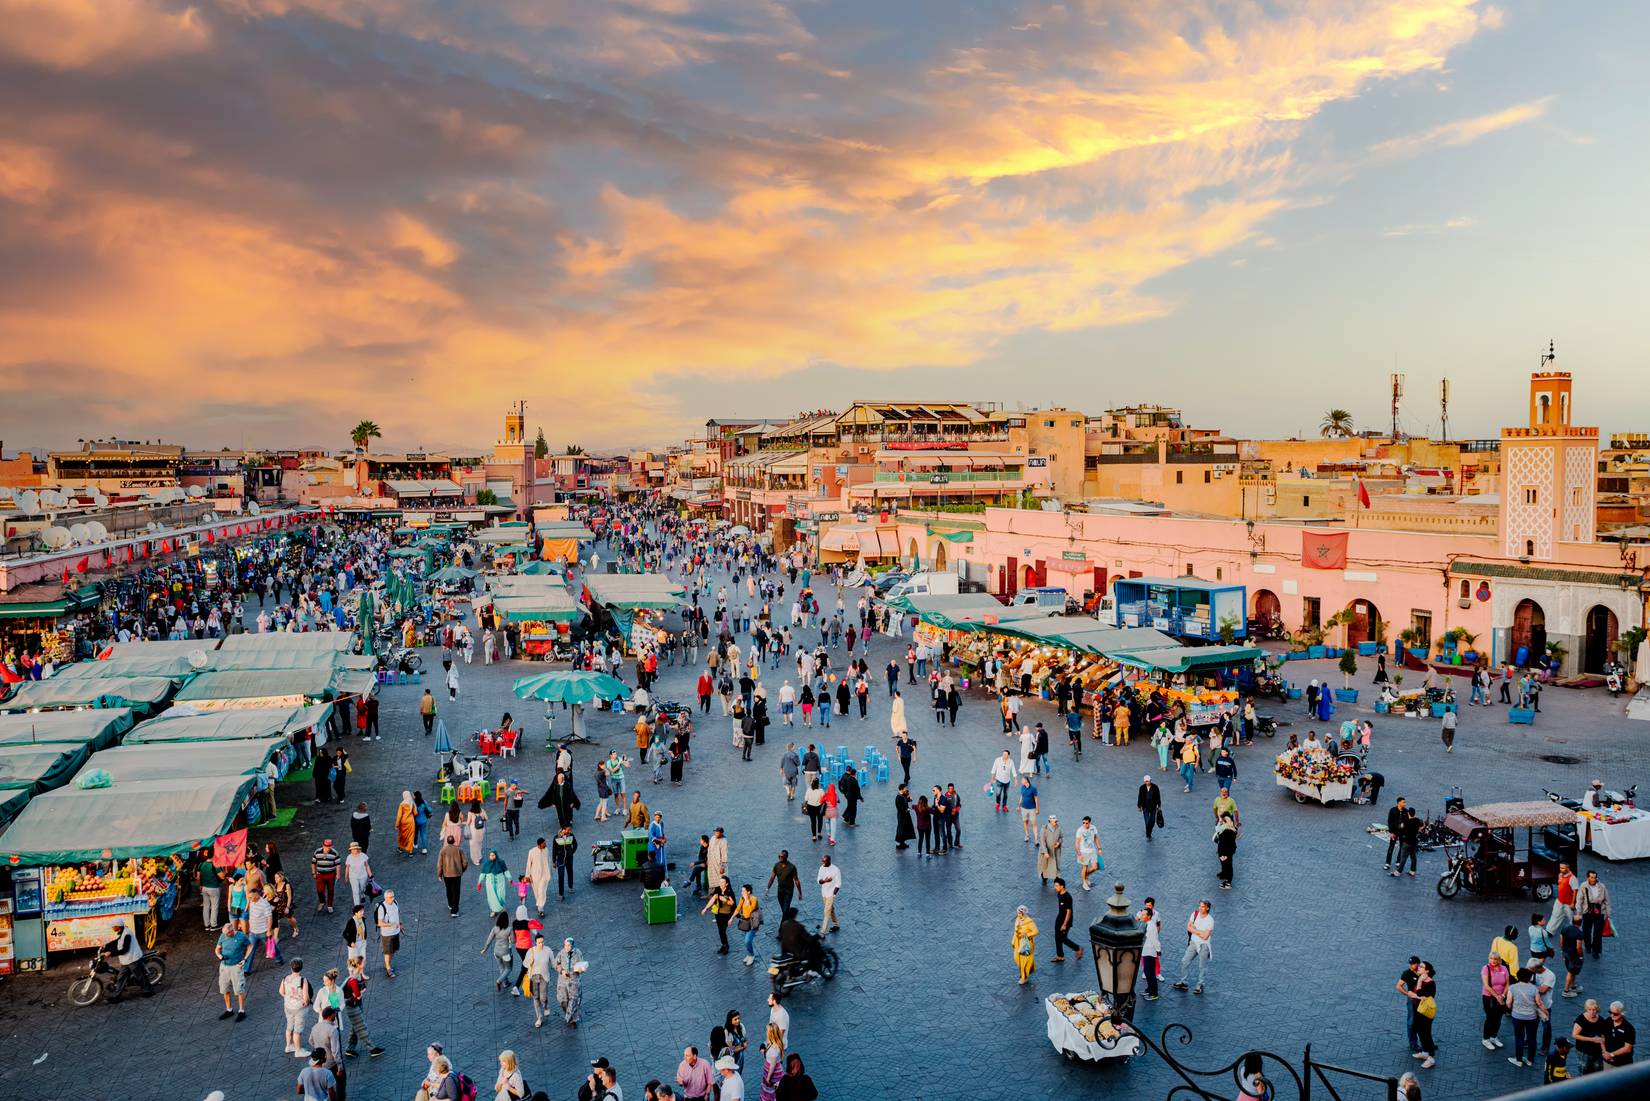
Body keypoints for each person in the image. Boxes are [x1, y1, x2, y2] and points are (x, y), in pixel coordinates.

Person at [101, 916, 153, 997]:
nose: (112, 927)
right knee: (121, 977)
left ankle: (149, 991)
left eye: (113, 926)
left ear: (118, 926)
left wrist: (111, 953)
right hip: (126, 960)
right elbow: (118, 941)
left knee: (139, 976)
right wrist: (106, 945)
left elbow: (124, 949)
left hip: (133, 959)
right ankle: (116, 996)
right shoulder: (123, 932)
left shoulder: (127, 934)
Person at [1173, 900, 1213, 995]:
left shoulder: (1210, 920)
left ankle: (1200, 984)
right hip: (1194, 943)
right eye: (1200, 906)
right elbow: (1188, 927)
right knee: (1185, 961)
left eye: (1202, 907)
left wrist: (1194, 929)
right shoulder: (1195, 914)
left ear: (1207, 908)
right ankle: (1184, 982)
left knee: (1202, 966)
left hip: (1204, 945)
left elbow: (1205, 936)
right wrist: (1200, 932)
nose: (1200, 908)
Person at [1507, 967, 1544, 1068]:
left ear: (1518, 977)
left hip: (1517, 1016)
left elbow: (1509, 1003)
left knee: (1519, 1038)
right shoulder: (1534, 988)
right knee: (1532, 1038)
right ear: (1529, 977)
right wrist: (1545, 1012)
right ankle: (1530, 1060)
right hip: (1531, 1017)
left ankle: (1519, 1060)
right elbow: (1539, 1003)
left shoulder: (1513, 987)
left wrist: (1511, 1008)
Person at [215, 920, 251, 1021]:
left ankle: (241, 1011)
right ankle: (229, 1009)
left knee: (239, 990)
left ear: (231, 931)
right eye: (224, 934)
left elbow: (250, 946)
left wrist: (245, 959)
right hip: (224, 966)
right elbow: (217, 949)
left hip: (236, 967)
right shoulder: (223, 936)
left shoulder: (241, 936)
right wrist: (219, 955)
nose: (225, 936)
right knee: (224, 989)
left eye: (227, 934)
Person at [280, 959, 314, 1055]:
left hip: (288, 1006)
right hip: (300, 1008)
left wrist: (288, 997)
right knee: (298, 1030)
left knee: (289, 1026)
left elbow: (281, 991)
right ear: (301, 967)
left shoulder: (285, 978)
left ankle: (289, 1046)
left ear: (291, 967)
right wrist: (306, 1003)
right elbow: (306, 996)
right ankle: (298, 1050)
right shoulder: (303, 980)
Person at [1481, 949, 1511, 1051]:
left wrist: (1502, 995)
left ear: (1499, 960)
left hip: (1501, 997)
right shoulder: (1486, 969)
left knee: (1498, 1018)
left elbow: (1507, 984)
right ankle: (1485, 1039)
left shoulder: (1504, 969)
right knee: (1490, 1017)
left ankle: (1493, 1037)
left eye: (1495, 959)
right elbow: (1486, 985)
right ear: (1489, 959)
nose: (1493, 961)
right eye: (1491, 958)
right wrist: (1496, 996)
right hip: (1489, 997)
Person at [1576, 870, 1610, 961]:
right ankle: (1588, 946)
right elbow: (1579, 900)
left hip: (1599, 912)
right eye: (1591, 877)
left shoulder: (1602, 886)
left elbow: (1607, 900)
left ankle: (1595, 950)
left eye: (1595, 877)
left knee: (1597, 933)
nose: (1593, 879)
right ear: (1588, 878)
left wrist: (1608, 913)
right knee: (1586, 931)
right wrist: (1578, 912)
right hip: (1587, 912)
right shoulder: (1583, 886)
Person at [554, 937, 585, 1028]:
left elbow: (582, 966)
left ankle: (572, 1019)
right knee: (562, 1000)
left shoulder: (578, 953)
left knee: (574, 1000)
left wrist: (580, 970)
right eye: (565, 945)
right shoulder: (561, 953)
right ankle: (568, 1013)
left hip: (574, 979)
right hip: (563, 980)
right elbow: (557, 964)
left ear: (572, 945)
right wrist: (561, 971)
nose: (566, 947)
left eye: (569, 945)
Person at [524, 933, 553, 1028]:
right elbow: (525, 964)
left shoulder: (548, 950)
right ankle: (539, 1018)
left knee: (543, 998)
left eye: (543, 942)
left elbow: (553, 963)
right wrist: (530, 962)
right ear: (536, 942)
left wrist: (560, 969)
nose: (541, 944)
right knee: (536, 997)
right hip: (534, 977)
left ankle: (545, 1006)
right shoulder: (531, 951)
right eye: (539, 942)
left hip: (544, 977)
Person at [1050, 878, 1083, 963]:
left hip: (1066, 920)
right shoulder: (1059, 894)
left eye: (1056, 886)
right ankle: (1060, 956)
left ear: (1062, 886)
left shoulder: (1067, 897)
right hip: (1059, 918)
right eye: (1055, 886)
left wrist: (1064, 924)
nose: (1055, 887)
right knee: (1057, 938)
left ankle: (1078, 948)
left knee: (1063, 939)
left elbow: (1069, 911)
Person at [436, 835, 469, 917]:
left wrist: (439, 874)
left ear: (447, 841)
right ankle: (454, 911)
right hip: (457, 874)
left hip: (446, 874)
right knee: (456, 892)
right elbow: (465, 862)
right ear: (454, 841)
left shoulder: (443, 850)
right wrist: (462, 870)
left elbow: (439, 864)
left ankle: (450, 904)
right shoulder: (459, 849)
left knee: (449, 890)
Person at [1573, 999, 1608, 1074]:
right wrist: (1592, 1039)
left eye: (1594, 1010)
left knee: (1598, 1070)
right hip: (1584, 1051)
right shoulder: (1581, 1019)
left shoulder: (1601, 1020)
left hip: (1597, 1051)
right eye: (1589, 1009)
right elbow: (1575, 1035)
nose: (1592, 1012)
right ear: (1586, 1009)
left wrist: (1604, 1050)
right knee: (1584, 1071)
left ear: (1597, 1009)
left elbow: (1602, 1036)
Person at [1137, 898, 1162, 1000]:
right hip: (1145, 951)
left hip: (1150, 952)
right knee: (1147, 972)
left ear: (1149, 917)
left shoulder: (1151, 927)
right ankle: (1149, 989)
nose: (1141, 916)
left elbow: (1155, 940)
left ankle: (1154, 994)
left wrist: (1158, 951)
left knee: (1150, 973)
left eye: (1143, 915)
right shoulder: (1146, 924)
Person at [311, 839, 340, 915]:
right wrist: (313, 873)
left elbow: (337, 864)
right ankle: (322, 901)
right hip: (320, 874)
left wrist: (338, 874)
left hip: (331, 874)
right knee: (319, 890)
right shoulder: (317, 852)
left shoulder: (334, 853)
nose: (328, 848)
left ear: (332, 846)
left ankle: (330, 905)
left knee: (330, 890)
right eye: (326, 846)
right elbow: (313, 863)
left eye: (329, 846)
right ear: (323, 845)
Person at [1012, 905, 1038, 985]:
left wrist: (1026, 934)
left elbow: (1036, 931)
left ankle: (1024, 977)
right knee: (1017, 958)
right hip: (1017, 942)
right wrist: (1013, 941)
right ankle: (1024, 973)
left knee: (1024, 961)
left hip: (1025, 943)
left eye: (1020, 913)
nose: (1018, 914)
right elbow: (1015, 931)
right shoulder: (1017, 919)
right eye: (1018, 913)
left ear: (1023, 913)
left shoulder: (1029, 922)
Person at [816, 854, 842, 935]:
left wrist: (833, 895)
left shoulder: (836, 870)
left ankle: (823, 931)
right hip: (824, 893)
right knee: (831, 909)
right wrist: (824, 881)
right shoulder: (821, 868)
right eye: (822, 861)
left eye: (824, 861)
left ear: (829, 861)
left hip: (831, 894)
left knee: (826, 911)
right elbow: (818, 880)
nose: (822, 862)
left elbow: (838, 884)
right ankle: (836, 924)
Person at [1603, 1001, 1634, 1068]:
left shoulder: (1628, 1028)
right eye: (1610, 1012)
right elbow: (1602, 1037)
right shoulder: (1608, 1021)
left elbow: (1627, 1048)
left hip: (1623, 1064)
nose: (1612, 1015)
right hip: (1608, 1061)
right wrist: (1604, 1052)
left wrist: (1611, 1054)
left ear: (1622, 1013)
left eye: (1615, 1014)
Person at [1036, 816, 1062, 887]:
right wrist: (1045, 852)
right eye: (1055, 821)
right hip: (1047, 852)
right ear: (1050, 821)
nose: (1056, 822)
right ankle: (1044, 877)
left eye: (1056, 821)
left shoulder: (1058, 828)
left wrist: (1058, 843)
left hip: (1055, 852)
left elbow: (1061, 837)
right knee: (1045, 866)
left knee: (1056, 866)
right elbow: (1042, 841)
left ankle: (1056, 881)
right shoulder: (1044, 829)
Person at [1215, 815, 1238, 888]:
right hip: (1227, 851)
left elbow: (1225, 844)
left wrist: (1223, 855)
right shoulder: (1231, 829)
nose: (1220, 821)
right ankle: (1227, 879)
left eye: (1222, 820)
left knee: (1228, 866)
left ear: (1225, 822)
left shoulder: (1227, 831)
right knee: (1227, 866)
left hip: (1226, 852)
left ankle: (1228, 883)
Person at [1137, 776, 1162, 840]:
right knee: (1147, 821)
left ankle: (1149, 831)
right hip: (1145, 807)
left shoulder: (1155, 787)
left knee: (1153, 821)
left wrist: (1159, 806)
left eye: (1149, 781)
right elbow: (1140, 797)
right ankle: (1148, 834)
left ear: (1151, 780)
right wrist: (1139, 806)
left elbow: (1158, 797)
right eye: (1146, 781)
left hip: (1153, 807)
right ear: (1144, 781)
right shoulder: (1142, 788)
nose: (1148, 782)